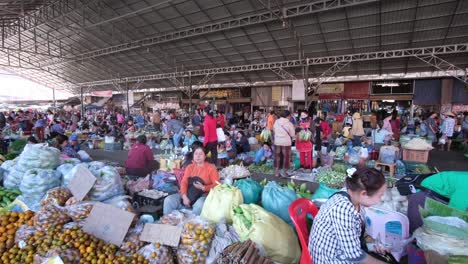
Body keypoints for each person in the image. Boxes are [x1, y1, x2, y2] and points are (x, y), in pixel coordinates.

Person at [309, 168, 388, 264]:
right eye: (380, 195)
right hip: (329, 259)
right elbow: (355, 256)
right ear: (364, 194)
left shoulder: (354, 197)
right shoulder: (343, 209)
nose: (380, 199)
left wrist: (373, 244)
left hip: (343, 250)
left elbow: (357, 232)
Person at [163, 146, 220, 215]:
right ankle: (168, 223)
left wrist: (203, 187)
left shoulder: (211, 168)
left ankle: (193, 223)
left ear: (205, 156)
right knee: (168, 200)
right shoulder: (190, 167)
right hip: (188, 193)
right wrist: (184, 196)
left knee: (199, 205)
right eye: (196, 154)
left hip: (203, 195)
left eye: (200, 154)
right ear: (193, 156)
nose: (198, 156)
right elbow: (184, 182)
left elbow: (217, 185)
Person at [273, 110, 295, 178]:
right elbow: (292, 134)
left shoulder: (276, 122)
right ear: (288, 116)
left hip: (277, 141)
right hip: (286, 142)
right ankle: (284, 173)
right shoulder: (289, 124)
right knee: (286, 157)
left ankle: (276, 172)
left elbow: (273, 130)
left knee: (277, 157)